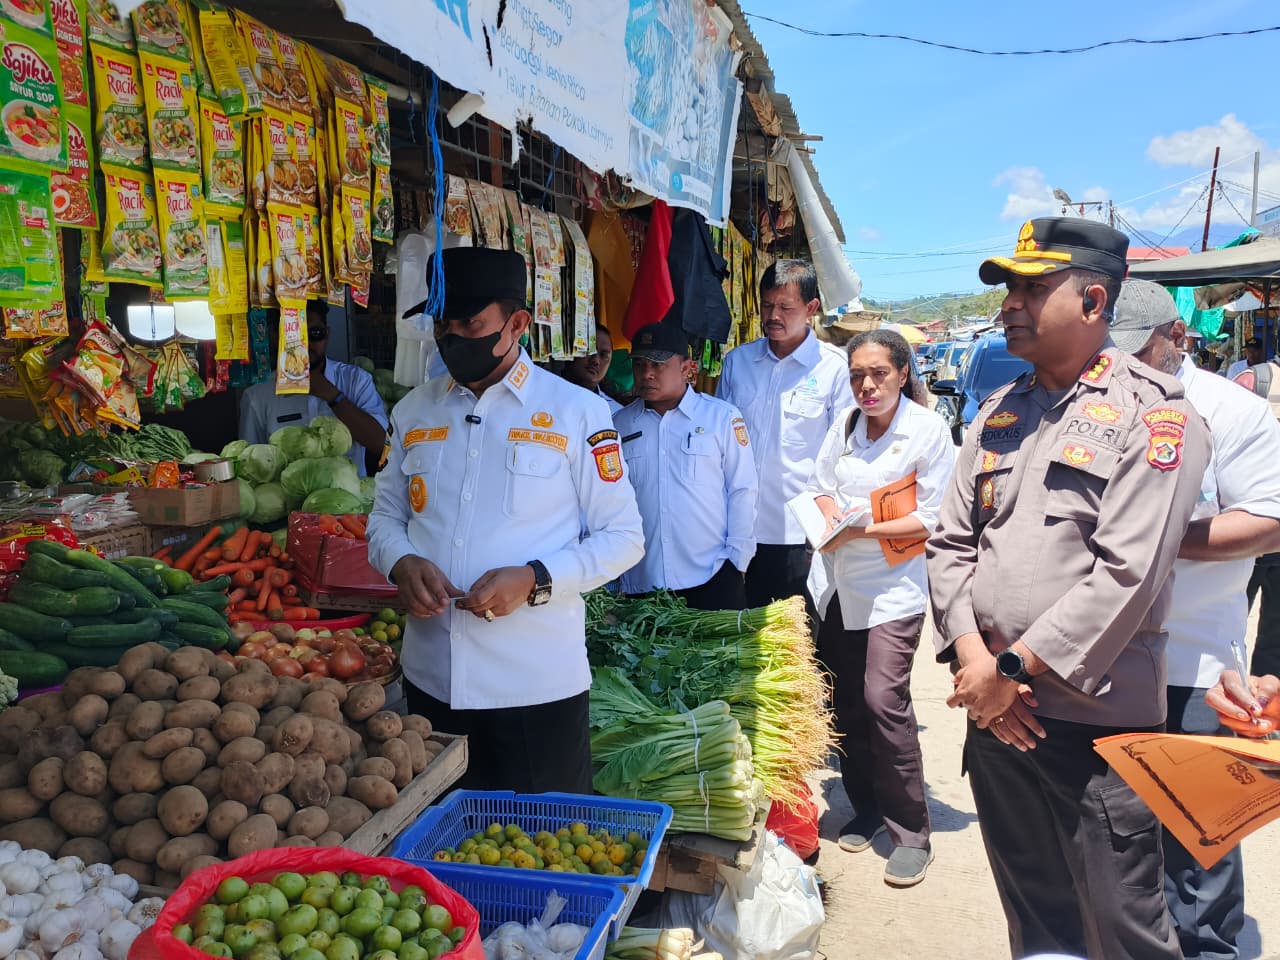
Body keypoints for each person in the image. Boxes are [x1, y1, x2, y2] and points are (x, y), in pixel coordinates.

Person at [927, 218, 1211, 960]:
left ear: (1092, 301)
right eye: (1008, 289)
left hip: (1096, 728)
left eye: (1031, 287)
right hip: (996, 714)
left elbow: (1129, 573)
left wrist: (1010, 668)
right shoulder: (998, 412)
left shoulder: (1156, 414)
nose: (1010, 304)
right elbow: (950, 544)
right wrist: (973, 661)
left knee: (1124, 931)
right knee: (1036, 920)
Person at [367, 247, 645, 794]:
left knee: (543, 858)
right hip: (432, 684)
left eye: (470, 323)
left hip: (535, 689)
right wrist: (400, 561)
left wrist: (537, 578)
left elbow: (624, 537)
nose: (452, 337)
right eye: (443, 323)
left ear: (517, 323)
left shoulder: (576, 411)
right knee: (436, 853)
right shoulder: (412, 412)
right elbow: (383, 518)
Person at [1113, 279, 1280, 960]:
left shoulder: (1231, 411)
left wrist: (1154, 537)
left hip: (1195, 666)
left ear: (1177, 340)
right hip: (1104, 664)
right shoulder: (1097, 405)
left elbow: (1267, 519)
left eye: (1137, 351)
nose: (1121, 366)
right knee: (1118, 844)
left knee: (1198, 854)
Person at [807, 329, 955, 887]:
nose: (866, 386)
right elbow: (819, 485)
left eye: (878, 374)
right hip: (839, 584)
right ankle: (866, 807)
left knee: (883, 699)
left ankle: (911, 832)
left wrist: (861, 528)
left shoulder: (927, 431)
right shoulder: (845, 426)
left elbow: (935, 517)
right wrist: (824, 519)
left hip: (894, 588)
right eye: (856, 376)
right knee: (846, 701)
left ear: (903, 373)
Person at [716, 260, 853, 607]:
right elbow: (718, 442)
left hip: (798, 534)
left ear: (811, 309)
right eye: (766, 305)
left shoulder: (834, 369)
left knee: (795, 645)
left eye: (785, 307)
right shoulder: (738, 363)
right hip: (734, 529)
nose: (772, 315)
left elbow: (847, 453)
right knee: (737, 640)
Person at [613, 323, 757, 610]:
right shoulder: (618, 425)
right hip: (641, 582)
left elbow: (743, 490)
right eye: (640, 365)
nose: (647, 374)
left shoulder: (721, 418)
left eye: (657, 365)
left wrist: (736, 561)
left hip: (712, 576)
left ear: (687, 368)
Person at [239, 301, 388, 476]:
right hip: (287, 499)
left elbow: (381, 444)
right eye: (294, 336)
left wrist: (332, 395)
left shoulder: (355, 380)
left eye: (315, 333)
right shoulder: (258, 396)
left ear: (327, 335)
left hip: (346, 499)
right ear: (276, 337)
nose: (306, 344)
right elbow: (248, 464)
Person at [1232, 354, 1280, 680]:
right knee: (1229, 628)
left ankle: (1264, 715)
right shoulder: (1257, 380)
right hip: (1246, 529)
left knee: (1276, 640)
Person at [563, 323, 623, 415]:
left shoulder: (616, 413)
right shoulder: (545, 397)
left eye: (604, 355)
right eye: (589, 350)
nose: (596, 361)